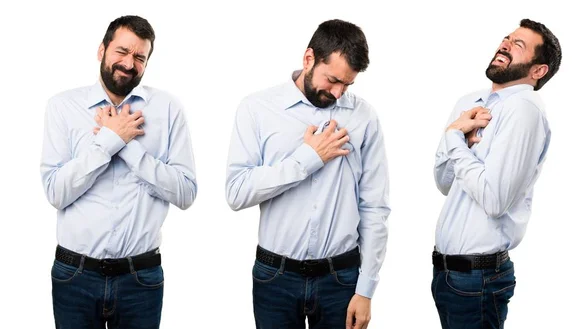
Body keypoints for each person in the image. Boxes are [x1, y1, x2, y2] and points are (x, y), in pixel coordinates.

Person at [225, 19, 390, 329]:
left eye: (348, 84)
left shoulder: (364, 117)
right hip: (275, 278)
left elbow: (375, 207)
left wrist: (366, 289)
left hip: (342, 279)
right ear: (308, 59)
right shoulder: (257, 109)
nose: (339, 93)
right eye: (332, 80)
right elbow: (236, 192)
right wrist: (308, 158)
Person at [40, 15, 197, 328]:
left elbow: (185, 193)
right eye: (121, 52)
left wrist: (127, 146)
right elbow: (56, 193)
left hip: (140, 278)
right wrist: (108, 142)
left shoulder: (168, 109)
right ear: (101, 51)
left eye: (139, 57)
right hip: (74, 276)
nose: (129, 63)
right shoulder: (62, 106)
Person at [431, 18, 561, 329]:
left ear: (538, 70)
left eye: (519, 45)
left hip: (479, 279)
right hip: (447, 274)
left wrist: (453, 138)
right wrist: (459, 138)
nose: (505, 45)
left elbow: (494, 199)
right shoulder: (470, 103)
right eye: (507, 39)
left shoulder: (524, 109)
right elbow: (444, 183)